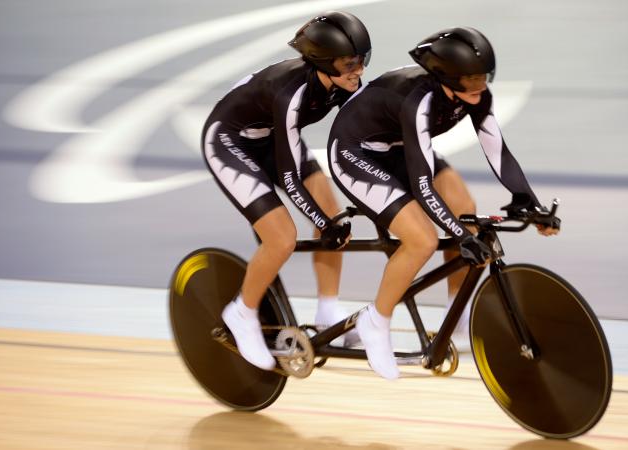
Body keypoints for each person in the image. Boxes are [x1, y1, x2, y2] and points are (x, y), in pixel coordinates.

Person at [327, 27, 559, 379]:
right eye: (470, 79)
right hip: (355, 152)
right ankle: (377, 319)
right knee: (423, 239)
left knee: (465, 206)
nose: (480, 85)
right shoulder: (418, 101)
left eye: (484, 76)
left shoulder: (476, 95)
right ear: (446, 79)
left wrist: (529, 202)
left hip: (396, 150)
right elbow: (422, 184)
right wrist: (458, 235)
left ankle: (458, 313)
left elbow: (498, 152)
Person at [202, 11, 372, 370]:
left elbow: (361, 136)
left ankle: (328, 311)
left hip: (267, 139)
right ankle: (242, 312)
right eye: (348, 63)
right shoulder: (291, 92)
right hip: (229, 143)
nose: (357, 69)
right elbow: (290, 177)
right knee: (282, 238)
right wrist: (322, 224)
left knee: (331, 206)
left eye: (361, 59)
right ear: (323, 63)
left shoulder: (341, 82)